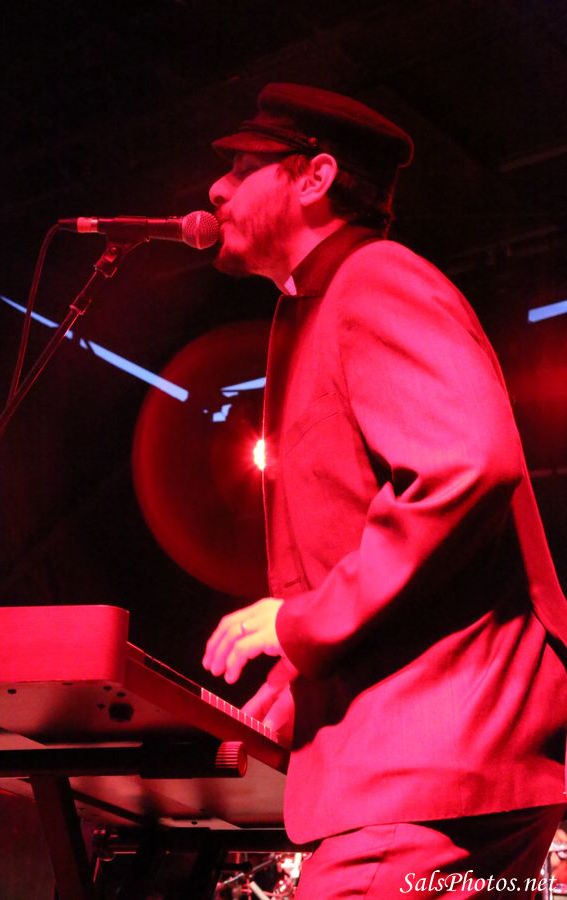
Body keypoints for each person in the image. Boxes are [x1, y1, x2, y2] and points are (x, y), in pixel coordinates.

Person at [202, 83, 567, 897]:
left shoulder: (373, 277)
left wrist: (300, 623)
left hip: (429, 761)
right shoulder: (319, 305)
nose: (217, 189)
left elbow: (467, 463)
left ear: (315, 177)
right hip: (438, 756)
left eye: (244, 167)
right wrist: (308, 677)